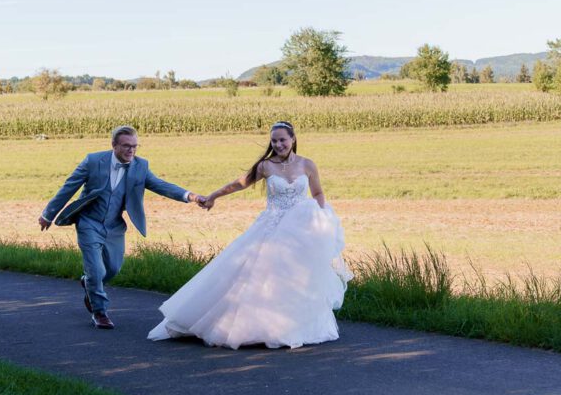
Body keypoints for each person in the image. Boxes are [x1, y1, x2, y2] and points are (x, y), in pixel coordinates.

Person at [148, 120, 352, 349]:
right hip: (271, 226)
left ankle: (288, 326)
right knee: (254, 275)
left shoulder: (307, 164)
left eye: (282, 140)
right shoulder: (265, 166)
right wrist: (213, 196)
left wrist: (322, 220)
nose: (278, 144)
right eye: (274, 141)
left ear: (293, 139)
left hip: (299, 231)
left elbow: (318, 193)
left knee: (297, 277)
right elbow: (239, 184)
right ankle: (240, 325)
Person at [39, 125, 209, 329]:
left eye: (135, 147)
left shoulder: (140, 167)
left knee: (112, 268)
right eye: (127, 146)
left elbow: (162, 185)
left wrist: (191, 196)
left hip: (114, 226)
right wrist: (48, 214)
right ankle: (99, 312)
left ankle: (90, 283)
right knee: (96, 270)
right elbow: (69, 187)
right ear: (114, 145)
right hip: (89, 223)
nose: (131, 151)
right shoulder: (93, 161)